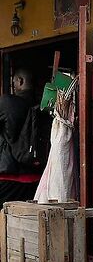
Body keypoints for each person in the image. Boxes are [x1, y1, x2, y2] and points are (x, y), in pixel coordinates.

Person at [0, 68, 40, 205]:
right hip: (37, 179)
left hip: (7, 178)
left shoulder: (6, 102)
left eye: (14, 82)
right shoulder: (42, 106)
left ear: (20, 81)